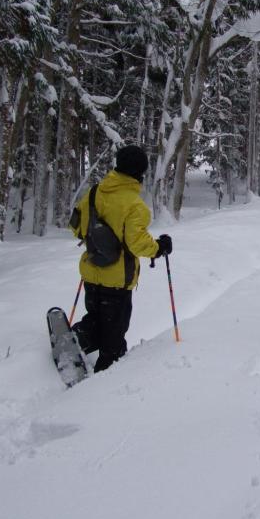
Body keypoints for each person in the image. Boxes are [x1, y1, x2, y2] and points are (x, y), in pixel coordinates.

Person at [69, 144, 172, 373]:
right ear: (140, 173)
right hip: (117, 281)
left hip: (91, 272)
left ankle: (77, 340)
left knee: (96, 318)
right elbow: (137, 243)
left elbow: (76, 227)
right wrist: (160, 248)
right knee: (113, 337)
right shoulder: (135, 205)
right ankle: (104, 385)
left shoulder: (94, 192)